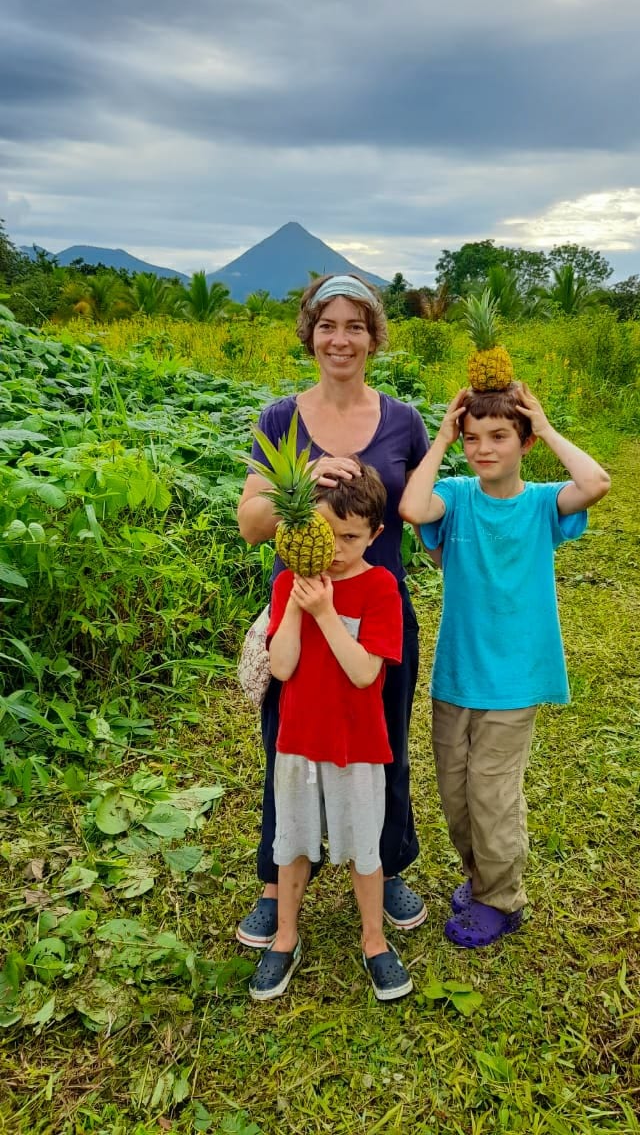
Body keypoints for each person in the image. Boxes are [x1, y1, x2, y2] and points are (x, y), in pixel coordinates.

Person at [236, 274, 430, 948]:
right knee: (286, 744)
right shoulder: (280, 419)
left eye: (355, 325)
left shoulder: (403, 420)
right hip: (302, 605)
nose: (340, 339)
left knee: (385, 740)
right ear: (309, 334)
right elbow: (252, 522)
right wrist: (299, 481)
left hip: (378, 607)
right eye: (327, 325)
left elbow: (421, 506)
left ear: (373, 336)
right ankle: (276, 877)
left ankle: (388, 860)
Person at [398, 380, 610, 948]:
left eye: (499, 436)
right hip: (457, 675)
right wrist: (441, 437)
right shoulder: (458, 496)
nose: (483, 448)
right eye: (472, 438)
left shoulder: (542, 503)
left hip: (514, 681)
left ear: (525, 442)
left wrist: (545, 425)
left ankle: (502, 898)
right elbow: (412, 507)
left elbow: (595, 483)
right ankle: (481, 876)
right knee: (455, 795)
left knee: (492, 795)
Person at [249, 464, 414, 1001]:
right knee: (292, 841)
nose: (338, 549)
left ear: (375, 536)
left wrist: (323, 612)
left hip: (358, 743)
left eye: (351, 537)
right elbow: (282, 667)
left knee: (365, 844)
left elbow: (366, 672)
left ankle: (373, 939)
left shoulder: (379, 586)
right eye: (327, 533)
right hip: (297, 738)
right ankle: (286, 935)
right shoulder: (285, 583)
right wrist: (298, 604)